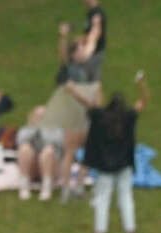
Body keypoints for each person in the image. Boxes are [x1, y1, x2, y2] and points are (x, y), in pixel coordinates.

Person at [68, 73, 149, 233]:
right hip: (124, 165)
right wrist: (142, 84)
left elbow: (88, 104)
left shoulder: (100, 117)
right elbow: (143, 101)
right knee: (126, 197)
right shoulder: (129, 117)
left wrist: (73, 91)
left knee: (102, 199)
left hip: (104, 167)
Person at [44, 26, 97, 200]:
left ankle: (79, 185)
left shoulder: (84, 70)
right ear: (73, 54)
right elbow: (62, 55)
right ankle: (67, 188)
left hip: (86, 116)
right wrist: (64, 36)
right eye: (80, 50)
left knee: (89, 151)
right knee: (70, 151)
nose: (83, 52)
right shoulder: (69, 68)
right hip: (73, 116)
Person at [15, 106, 65, 201]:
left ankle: (47, 187)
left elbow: (56, 143)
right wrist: (34, 128)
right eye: (38, 116)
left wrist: (43, 129)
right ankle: (24, 185)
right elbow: (20, 141)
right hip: (33, 169)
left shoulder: (57, 130)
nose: (41, 119)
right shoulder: (26, 129)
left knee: (48, 150)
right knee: (24, 148)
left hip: (52, 169)